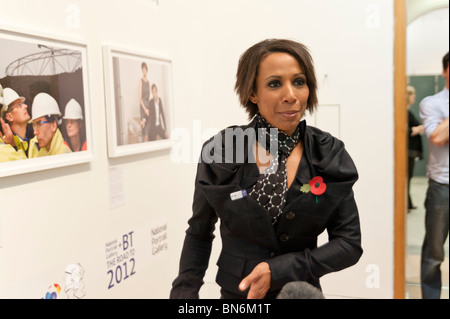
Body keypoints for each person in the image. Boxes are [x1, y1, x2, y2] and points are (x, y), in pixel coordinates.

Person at [170, 39, 362, 299]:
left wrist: (282, 269)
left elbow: (349, 244)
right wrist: (184, 294)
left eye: (299, 82)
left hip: (300, 292)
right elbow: (199, 232)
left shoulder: (328, 154)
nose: (290, 95)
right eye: (274, 84)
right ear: (252, 93)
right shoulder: (223, 150)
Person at [419, 52, 449, 299]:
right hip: (442, 187)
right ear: (445, 71)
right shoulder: (432, 103)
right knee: (434, 253)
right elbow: (438, 137)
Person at [28, 92, 72, 157]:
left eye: (39, 124)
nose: (35, 132)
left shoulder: (65, 156)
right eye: (34, 125)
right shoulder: (42, 153)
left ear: (54, 125)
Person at [406, 85, 424, 211]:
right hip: (408, 151)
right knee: (407, 177)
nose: (415, 97)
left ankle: (408, 202)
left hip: (411, 151)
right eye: (413, 95)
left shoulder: (407, 111)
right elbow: (405, 131)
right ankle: (406, 203)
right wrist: (417, 129)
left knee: (409, 177)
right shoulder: (404, 112)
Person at [1, 87, 32, 156]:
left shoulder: (37, 136)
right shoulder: (6, 144)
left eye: (23, 103)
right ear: (9, 117)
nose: (26, 106)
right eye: (19, 105)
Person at [139, 62, 151, 142]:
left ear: (147, 70)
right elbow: (140, 98)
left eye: (145, 69)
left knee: (148, 131)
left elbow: (149, 97)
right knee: (144, 131)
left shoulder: (148, 82)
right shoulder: (140, 81)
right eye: (142, 69)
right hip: (143, 106)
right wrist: (145, 109)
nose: (144, 71)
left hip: (148, 105)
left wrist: (148, 109)